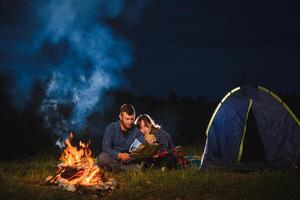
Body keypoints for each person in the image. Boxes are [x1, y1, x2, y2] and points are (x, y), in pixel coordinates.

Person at [97, 104, 144, 171]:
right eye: (127, 119)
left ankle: (123, 168)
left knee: (145, 156)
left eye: (132, 119)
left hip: (128, 158)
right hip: (115, 158)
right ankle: (126, 169)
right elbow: (105, 148)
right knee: (102, 158)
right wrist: (119, 155)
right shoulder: (111, 128)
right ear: (120, 117)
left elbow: (142, 140)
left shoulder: (135, 129)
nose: (130, 122)